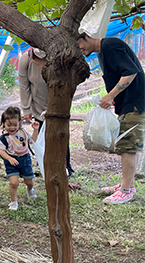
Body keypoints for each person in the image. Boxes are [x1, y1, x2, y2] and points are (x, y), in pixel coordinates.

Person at [77, 33, 145, 204]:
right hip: (128, 102)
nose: (81, 50)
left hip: (134, 103)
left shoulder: (110, 46)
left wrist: (110, 96)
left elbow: (130, 72)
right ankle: (128, 184)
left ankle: (125, 191)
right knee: (130, 145)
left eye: (79, 45)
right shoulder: (102, 51)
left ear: (86, 37)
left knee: (127, 146)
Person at [19, 47, 74, 176]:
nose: (39, 62)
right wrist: (26, 108)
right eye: (37, 59)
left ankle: (65, 167)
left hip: (58, 104)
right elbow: (23, 85)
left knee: (60, 135)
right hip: (38, 106)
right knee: (42, 136)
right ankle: (43, 165)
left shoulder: (59, 59)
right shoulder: (25, 60)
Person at [0, 106, 39, 211]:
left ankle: (30, 190)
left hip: (25, 159)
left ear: (20, 123)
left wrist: (35, 130)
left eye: (15, 125)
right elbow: (1, 151)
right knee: (13, 183)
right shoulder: (4, 138)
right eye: (9, 125)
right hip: (11, 162)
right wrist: (9, 158)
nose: (12, 127)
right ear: (3, 124)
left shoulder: (22, 134)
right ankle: (13, 202)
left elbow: (32, 141)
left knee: (29, 181)